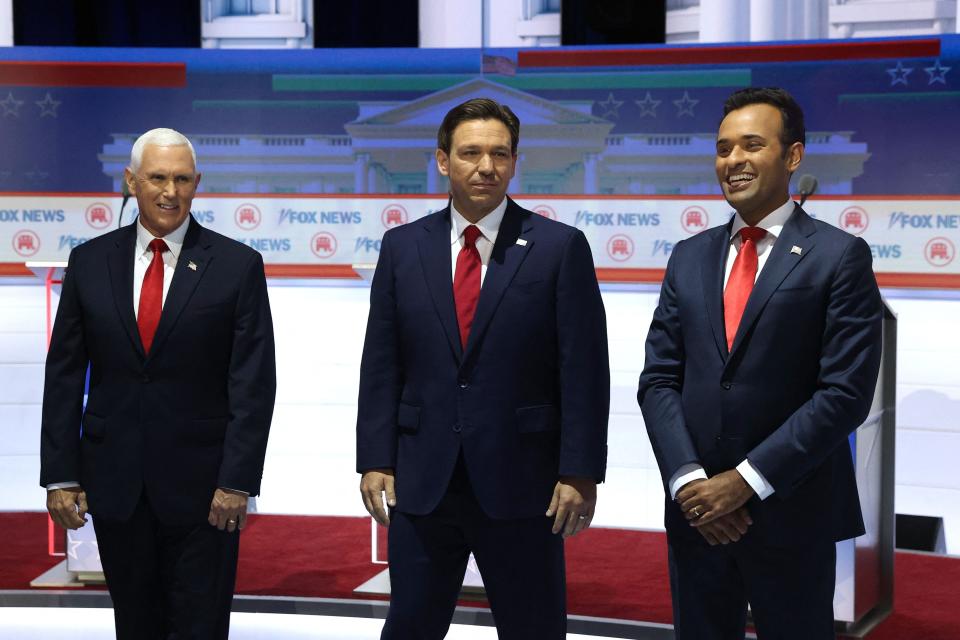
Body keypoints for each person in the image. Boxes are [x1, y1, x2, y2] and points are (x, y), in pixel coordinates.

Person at [356, 97, 609, 639]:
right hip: (424, 482)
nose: (486, 166)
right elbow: (382, 362)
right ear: (444, 160)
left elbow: (585, 370)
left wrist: (579, 471)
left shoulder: (559, 248)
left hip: (525, 483)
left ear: (516, 162)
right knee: (410, 627)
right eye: (470, 153)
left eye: (499, 153)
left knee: (533, 628)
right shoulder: (403, 247)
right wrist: (375, 457)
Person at [638, 87, 882, 639]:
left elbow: (843, 394)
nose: (734, 161)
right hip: (698, 517)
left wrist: (744, 482)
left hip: (793, 513)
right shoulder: (688, 255)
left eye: (752, 145)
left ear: (792, 156)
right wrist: (690, 482)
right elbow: (658, 380)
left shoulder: (839, 255)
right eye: (724, 148)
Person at [40, 128, 276, 639]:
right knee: (136, 625)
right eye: (157, 178)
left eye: (182, 179)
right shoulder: (89, 262)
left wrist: (237, 481)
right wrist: (60, 475)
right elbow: (63, 374)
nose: (170, 191)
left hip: (206, 493)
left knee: (199, 627)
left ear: (197, 184)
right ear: (131, 181)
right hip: (115, 485)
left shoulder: (237, 267)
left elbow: (253, 384)